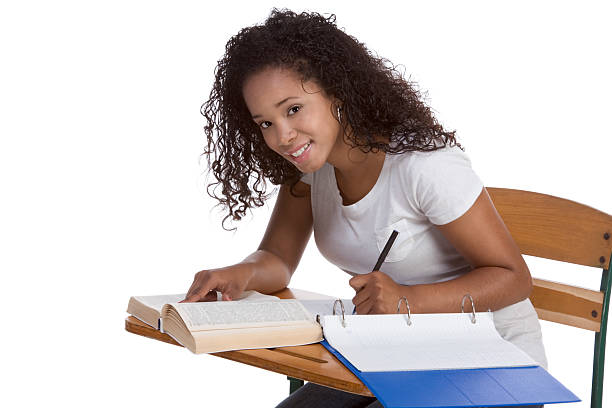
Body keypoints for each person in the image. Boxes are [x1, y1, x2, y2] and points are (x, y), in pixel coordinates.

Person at [181, 8, 547, 408]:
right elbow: (277, 258)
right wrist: (240, 274)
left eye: (293, 109)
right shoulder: (310, 168)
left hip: (494, 358)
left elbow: (514, 279)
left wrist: (408, 300)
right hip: (395, 350)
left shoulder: (424, 164)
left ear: (336, 93)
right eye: (265, 123)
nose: (283, 137)